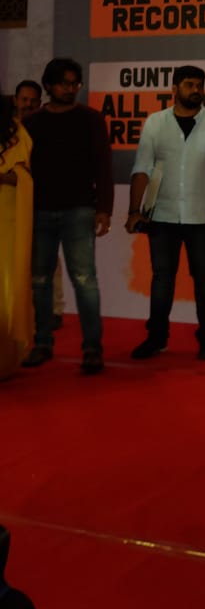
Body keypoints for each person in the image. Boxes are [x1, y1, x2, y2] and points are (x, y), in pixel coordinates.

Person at [126, 65, 205, 362]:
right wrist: (134, 211)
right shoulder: (155, 123)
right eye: (189, 85)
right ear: (175, 89)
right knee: (162, 280)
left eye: (200, 85)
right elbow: (142, 168)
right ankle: (156, 338)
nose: (196, 90)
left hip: (204, 218)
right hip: (161, 216)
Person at [22, 58, 113, 375]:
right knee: (39, 280)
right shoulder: (31, 123)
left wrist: (104, 209)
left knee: (85, 280)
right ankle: (42, 342)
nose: (70, 88)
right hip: (39, 210)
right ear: (48, 85)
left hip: (79, 209)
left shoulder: (91, 119)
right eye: (64, 83)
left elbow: (103, 166)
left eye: (75, 83)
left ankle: (92, 348)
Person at [14, 80, 65, 330]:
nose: (28, 104)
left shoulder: (45, 128)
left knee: (47, 257)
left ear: (40, 102)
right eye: (24, 99)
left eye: (33, 100)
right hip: (10, 203)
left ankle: (54, 309)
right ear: (16, 101)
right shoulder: (7, 129)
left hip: (41, 201)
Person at [0, 89, 33, 380]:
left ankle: (5, 358)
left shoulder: (16, 133)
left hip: (6, 218)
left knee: (6, 287)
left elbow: (21, 176)